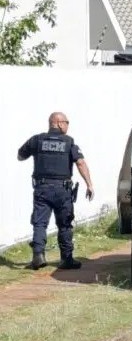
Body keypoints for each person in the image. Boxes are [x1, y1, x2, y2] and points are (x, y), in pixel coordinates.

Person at [17, 112, 95, 270]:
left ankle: (38, 256)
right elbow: (80, 163)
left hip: (42, 188)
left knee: (39, 223)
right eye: (67, 122)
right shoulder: (69, 142)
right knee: (65, 224)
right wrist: (89, 184)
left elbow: (20, 155)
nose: (67, 125)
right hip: (63, 190)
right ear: (59, 123)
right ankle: (66, 259)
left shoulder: (36, 140)